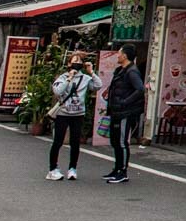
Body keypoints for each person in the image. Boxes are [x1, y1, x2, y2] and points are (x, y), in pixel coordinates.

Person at [46, 53, 102, 181]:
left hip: (78, 114)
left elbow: (98, 85)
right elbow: (58, 92)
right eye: (74, 61)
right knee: (57, 142)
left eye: (79, 61)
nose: (77, 63)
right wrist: (69, 78)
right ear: (69, 64)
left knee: (75, 142)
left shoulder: (86, 78)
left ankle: (72, 168)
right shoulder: (62, 77)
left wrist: (91, 72)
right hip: (63, 113)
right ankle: (52, 169)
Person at [103, 44, 145, 185]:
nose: (118, 55)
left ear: (125, 55)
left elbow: (140, 89)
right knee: (115, 141)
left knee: (121, 142)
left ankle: (123, 171)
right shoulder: (121, 70)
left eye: (119, 53)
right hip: (117, 110)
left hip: (125, 112)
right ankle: (116, 169)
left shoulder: (132, 71)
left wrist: (125, 102)